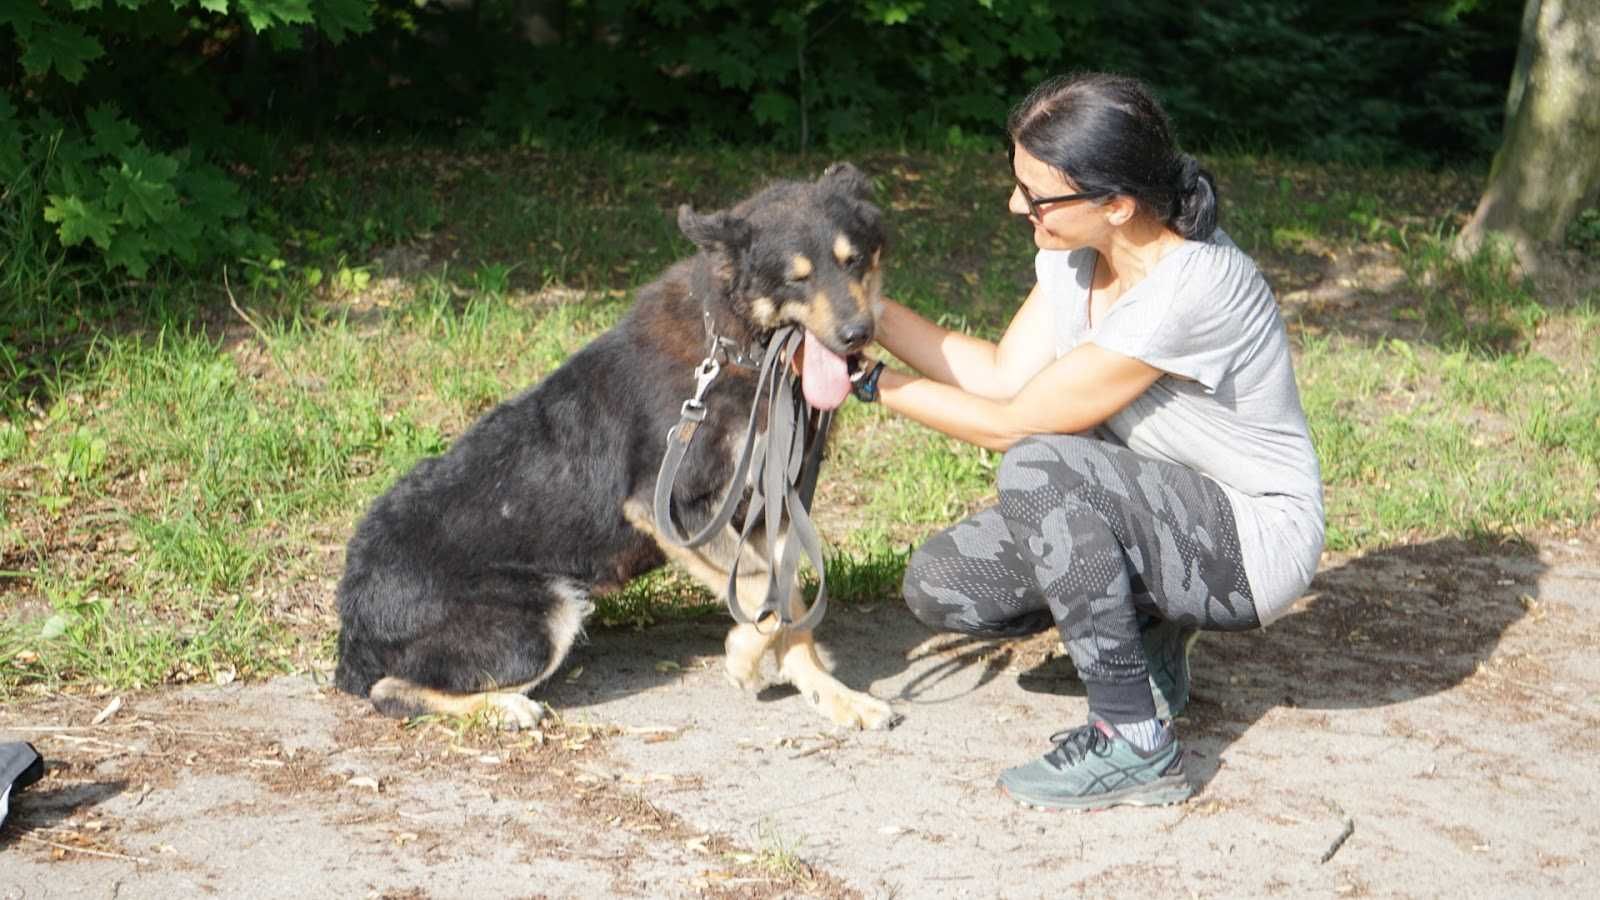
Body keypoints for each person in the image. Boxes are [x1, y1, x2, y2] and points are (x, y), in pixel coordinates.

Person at [847, 72, 1324, 810]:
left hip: (1251, 541)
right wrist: (859, 314)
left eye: (1036, 196)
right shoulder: (1074, 259)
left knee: (1041, 465)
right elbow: (1004, 377)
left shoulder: (1193, 287)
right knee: (943, 582)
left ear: (1117, 205)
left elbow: (1016, 425)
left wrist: (872, 384)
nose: (1016, 206)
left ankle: (1132, 738)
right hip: (1153, 508)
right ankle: (1151, 641)